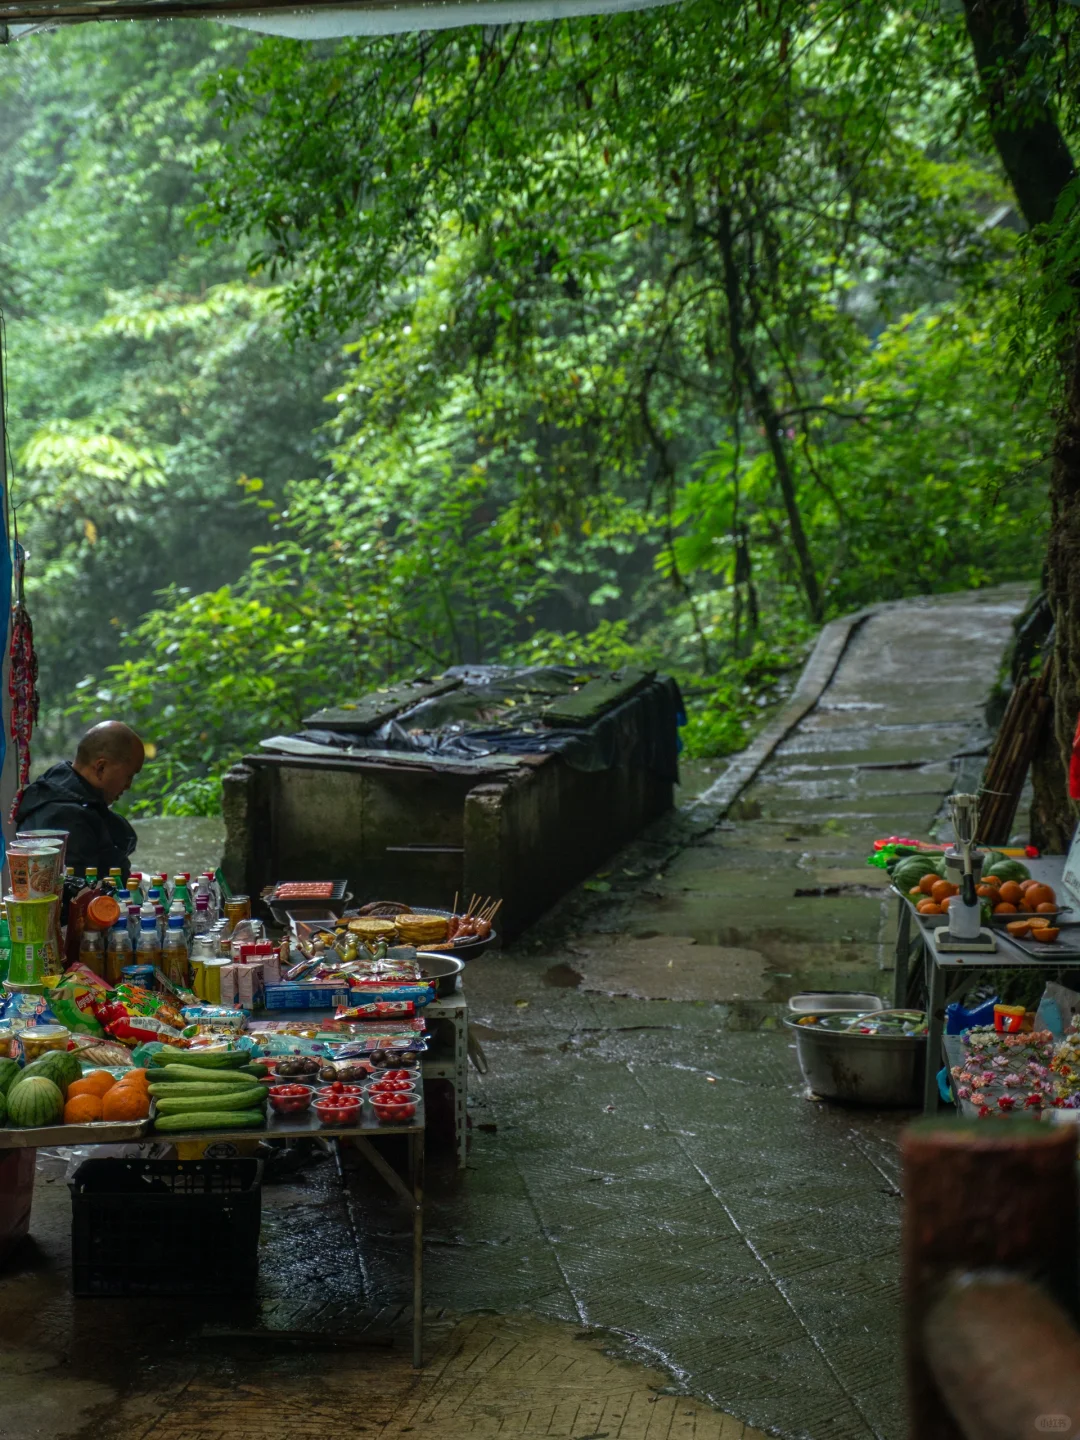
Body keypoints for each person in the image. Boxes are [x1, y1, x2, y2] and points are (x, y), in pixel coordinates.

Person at [15, 722, 145, 881]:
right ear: (100, 768)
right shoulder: (65, 817)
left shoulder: (62, 793)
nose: (128, 786)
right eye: (129, 776)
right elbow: (84, 897)